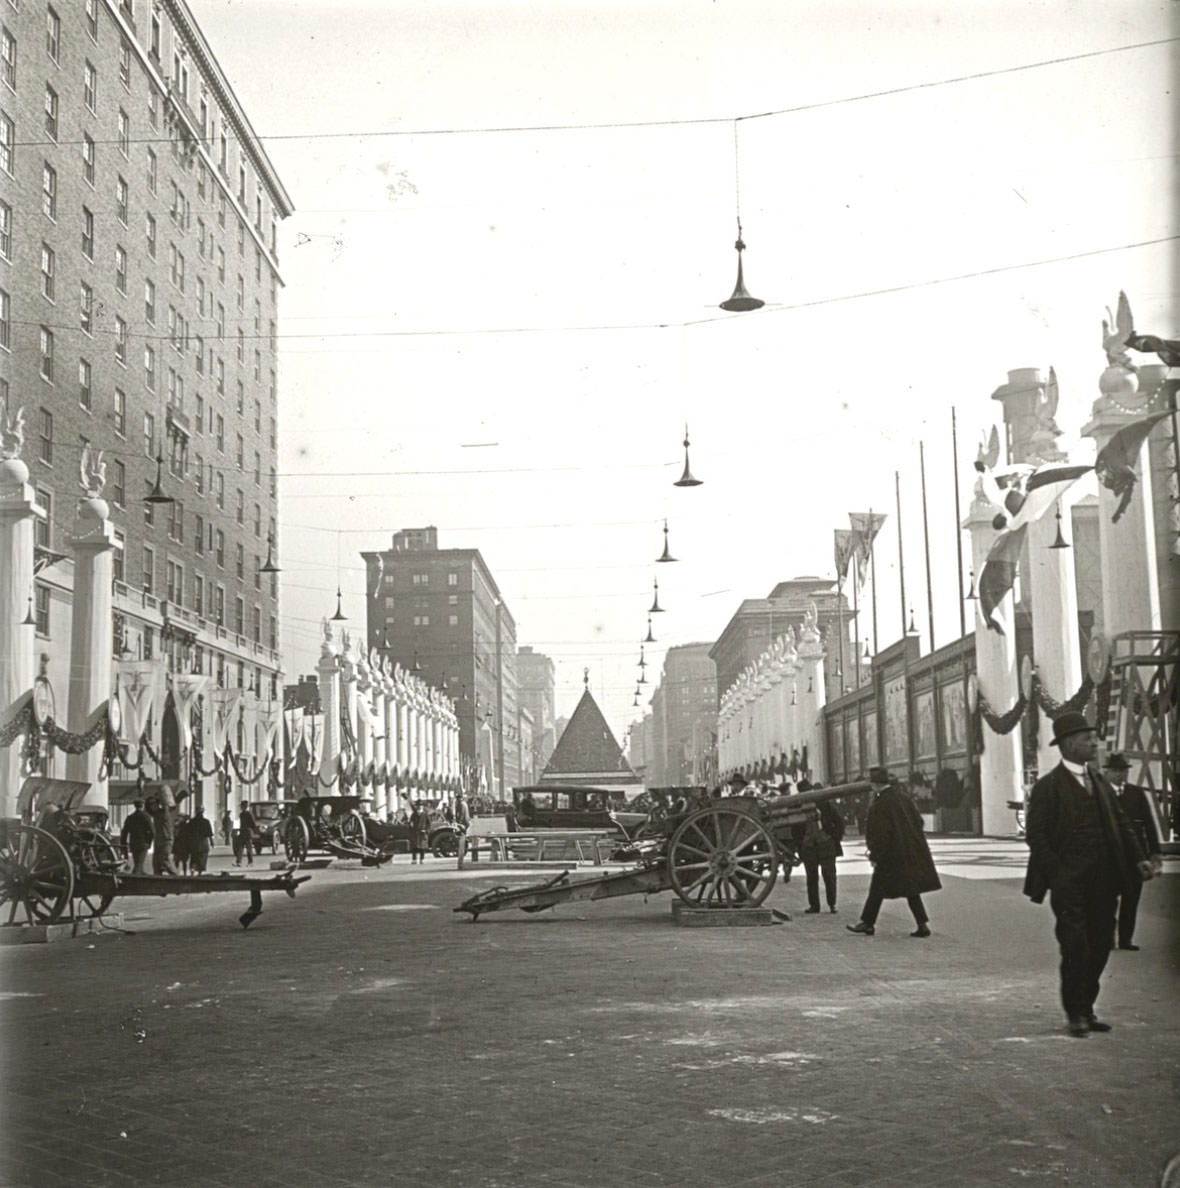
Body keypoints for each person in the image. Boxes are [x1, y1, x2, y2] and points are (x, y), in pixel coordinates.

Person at [1022, 713, 1155, 1037]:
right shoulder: (1048, 787)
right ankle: (1076, 1013)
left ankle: (1087, 1006)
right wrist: (1058, 873)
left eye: (1094, 738)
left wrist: (1140, 858)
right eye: (1087, 739)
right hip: (1070, 884)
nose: (1094, 744)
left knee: (1100, 945)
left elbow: (1122, 823)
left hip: (1104, 882)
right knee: (1075, 947)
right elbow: (1035, 836)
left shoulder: (1099, 782)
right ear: (1069, 744)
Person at [847, 767, 941, 938]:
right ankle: (922, 925)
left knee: (877, 889)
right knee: (911, 889)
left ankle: (867, 923)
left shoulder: (880, 803)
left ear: (874, 784)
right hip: (908, 851)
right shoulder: (903, 798)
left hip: (890, 855)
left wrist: (875, 855)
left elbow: (880, 833)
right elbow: (918, 822)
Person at [1104, 753, 1163, 951]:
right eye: (1116, 771)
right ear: (1107, 772)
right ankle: (1108, 939)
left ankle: (1125, 940)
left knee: (1131, 899)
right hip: (1109, 857)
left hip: (1135, 857)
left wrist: (1155, 852)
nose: (1120, 775)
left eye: (1123, 771)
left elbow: (1149, 824)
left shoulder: (1136, 793)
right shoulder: (1100, 793)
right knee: (1108, 900)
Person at [800, 794, 844, 914]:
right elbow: (797, 830)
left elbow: (839, 822)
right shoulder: (799, 809)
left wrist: (834, 838)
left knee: (829, 876)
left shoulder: (826, 806)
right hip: (810, 846)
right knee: (812, 878)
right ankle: (815, 905)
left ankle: (832, 904)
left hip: (825, 845)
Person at [147, 785, 179, 876]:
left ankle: (176, 877)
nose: (152, 806)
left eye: (153, 804)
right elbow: (148, 810)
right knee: (156, 862)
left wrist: (161, 797)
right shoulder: (156, 814)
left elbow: (166, 805)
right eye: (151, 805)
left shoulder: (165, 813)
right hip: (159, 840)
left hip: (166, 840)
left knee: (166, 861)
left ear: (158, 804)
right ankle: (158, 879)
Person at [120, 799, 155, 874]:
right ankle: (133, 882)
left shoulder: (130, 817)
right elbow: (152, 831)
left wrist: (123, 845)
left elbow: (124, 832)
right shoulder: (146, 817)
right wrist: (149, 842)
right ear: (143, 805)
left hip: (133, 844)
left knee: (138, 864)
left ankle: (140, 879)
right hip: (143, 844)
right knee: (139, 865)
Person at [188, 806, 215, 874]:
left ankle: (193, 869)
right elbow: (209, 833)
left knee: (194, 857)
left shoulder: (192, 821)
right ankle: (199, 871)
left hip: (194, 842)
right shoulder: (206, 822)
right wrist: (212, 842)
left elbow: (188, 833)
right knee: (202, 857)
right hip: (203, 842)